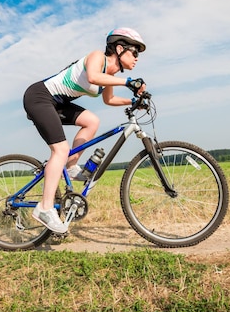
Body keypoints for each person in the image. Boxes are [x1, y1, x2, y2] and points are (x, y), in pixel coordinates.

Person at [23, 28, 147, 233]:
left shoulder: (111, 73)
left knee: (91, 121)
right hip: (39, 97)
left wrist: (133, 101)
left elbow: (109, 99)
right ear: (119, 48)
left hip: (57, 103)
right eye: (134, 52)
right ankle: (44, 208)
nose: (136, 58)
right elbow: (93, 77)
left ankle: (71, 167)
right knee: (60, 150)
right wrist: (128, 82)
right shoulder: (97, 57)